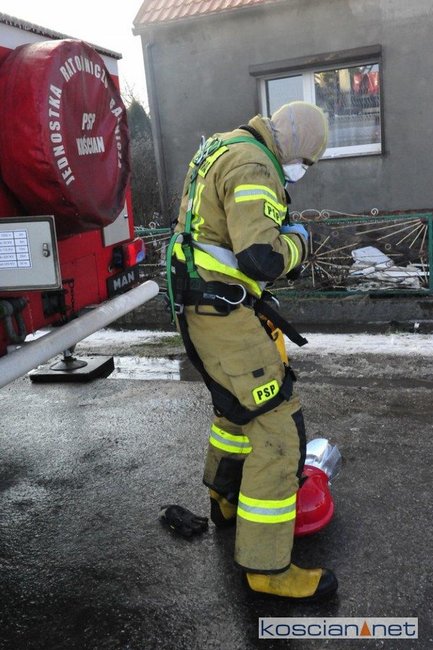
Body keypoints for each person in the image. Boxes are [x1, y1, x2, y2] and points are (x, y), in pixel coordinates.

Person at [168, 101, 338, 600]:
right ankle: (267, 567)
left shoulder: (223, 146)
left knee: (236, 412)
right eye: (307, 162)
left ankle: (224, 498)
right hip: (221, 312)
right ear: (298, 148)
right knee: (279, 427)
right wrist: (299, 243)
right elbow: (260, 256)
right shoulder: (254, 164)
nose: (303, 171)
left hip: (202, 304)